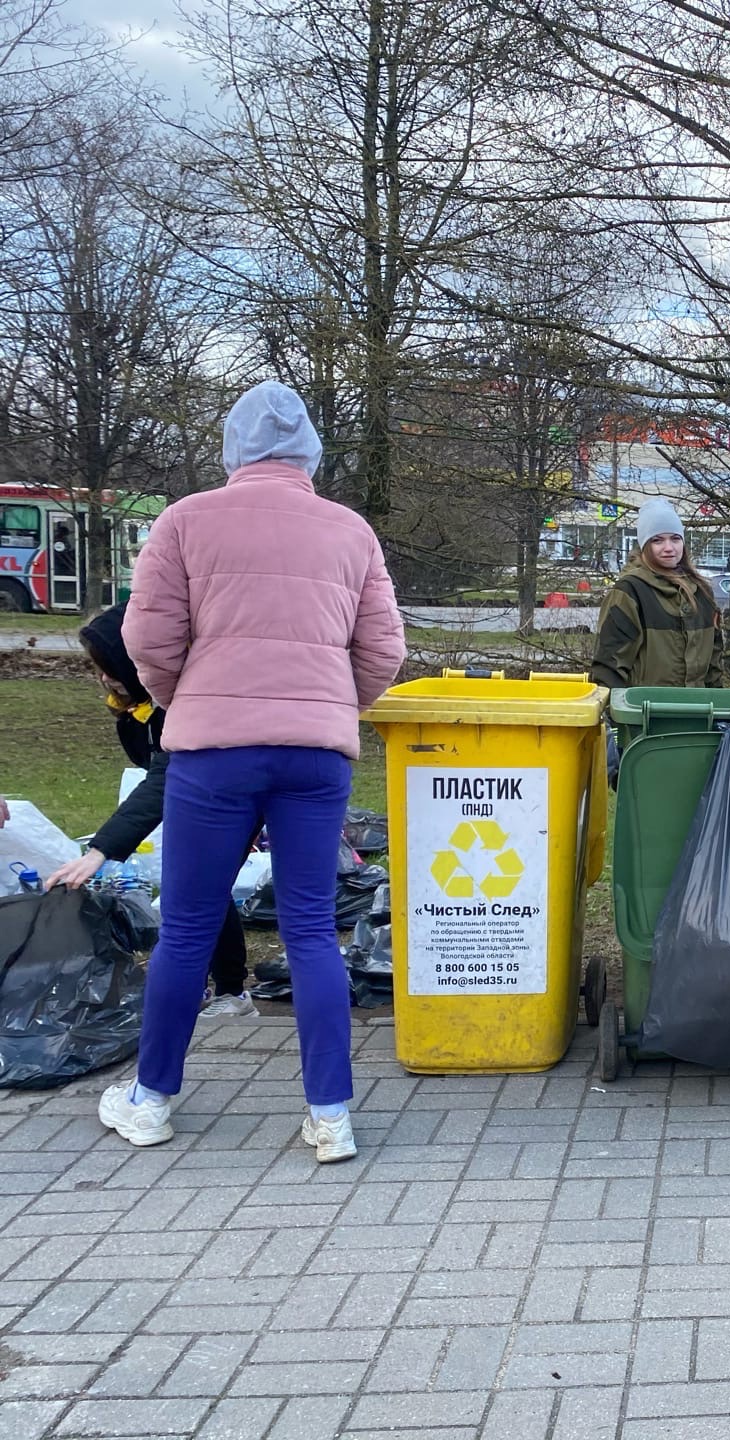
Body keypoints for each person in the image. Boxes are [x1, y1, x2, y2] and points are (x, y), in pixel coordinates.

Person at [99, 380, 406, 1164]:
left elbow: (147, 636)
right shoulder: (349, 531)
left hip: (212, 753)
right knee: (310, 929)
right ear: (309, 451)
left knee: (189, 926)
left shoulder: (185, 521)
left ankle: (151, 1099)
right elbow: (383, 652)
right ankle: (331, 1113)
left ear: (234, 448)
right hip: (315, 754)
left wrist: (187, 703)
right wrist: (328, 708)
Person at [46, 603, 255, 1015]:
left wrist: (102, 849)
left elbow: (164, 775)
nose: (105, 677)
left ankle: (229, 993)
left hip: (233, 798)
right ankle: (213, 989)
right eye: (99, 667)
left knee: (200, 889)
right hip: (197, 799)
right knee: (196, 887)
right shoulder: (138, 704)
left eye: (111, 666)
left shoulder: (181, 703)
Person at [589, 499, 723, 690]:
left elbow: (714, 666)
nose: (669, 547)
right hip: (644, 712)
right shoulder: (630, 591)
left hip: (697, 712)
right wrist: (617, 714)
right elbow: (608, 667)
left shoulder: (702, 592)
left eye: (675, 539)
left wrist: (716, 708)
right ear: (644, 545)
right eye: (657, 540)